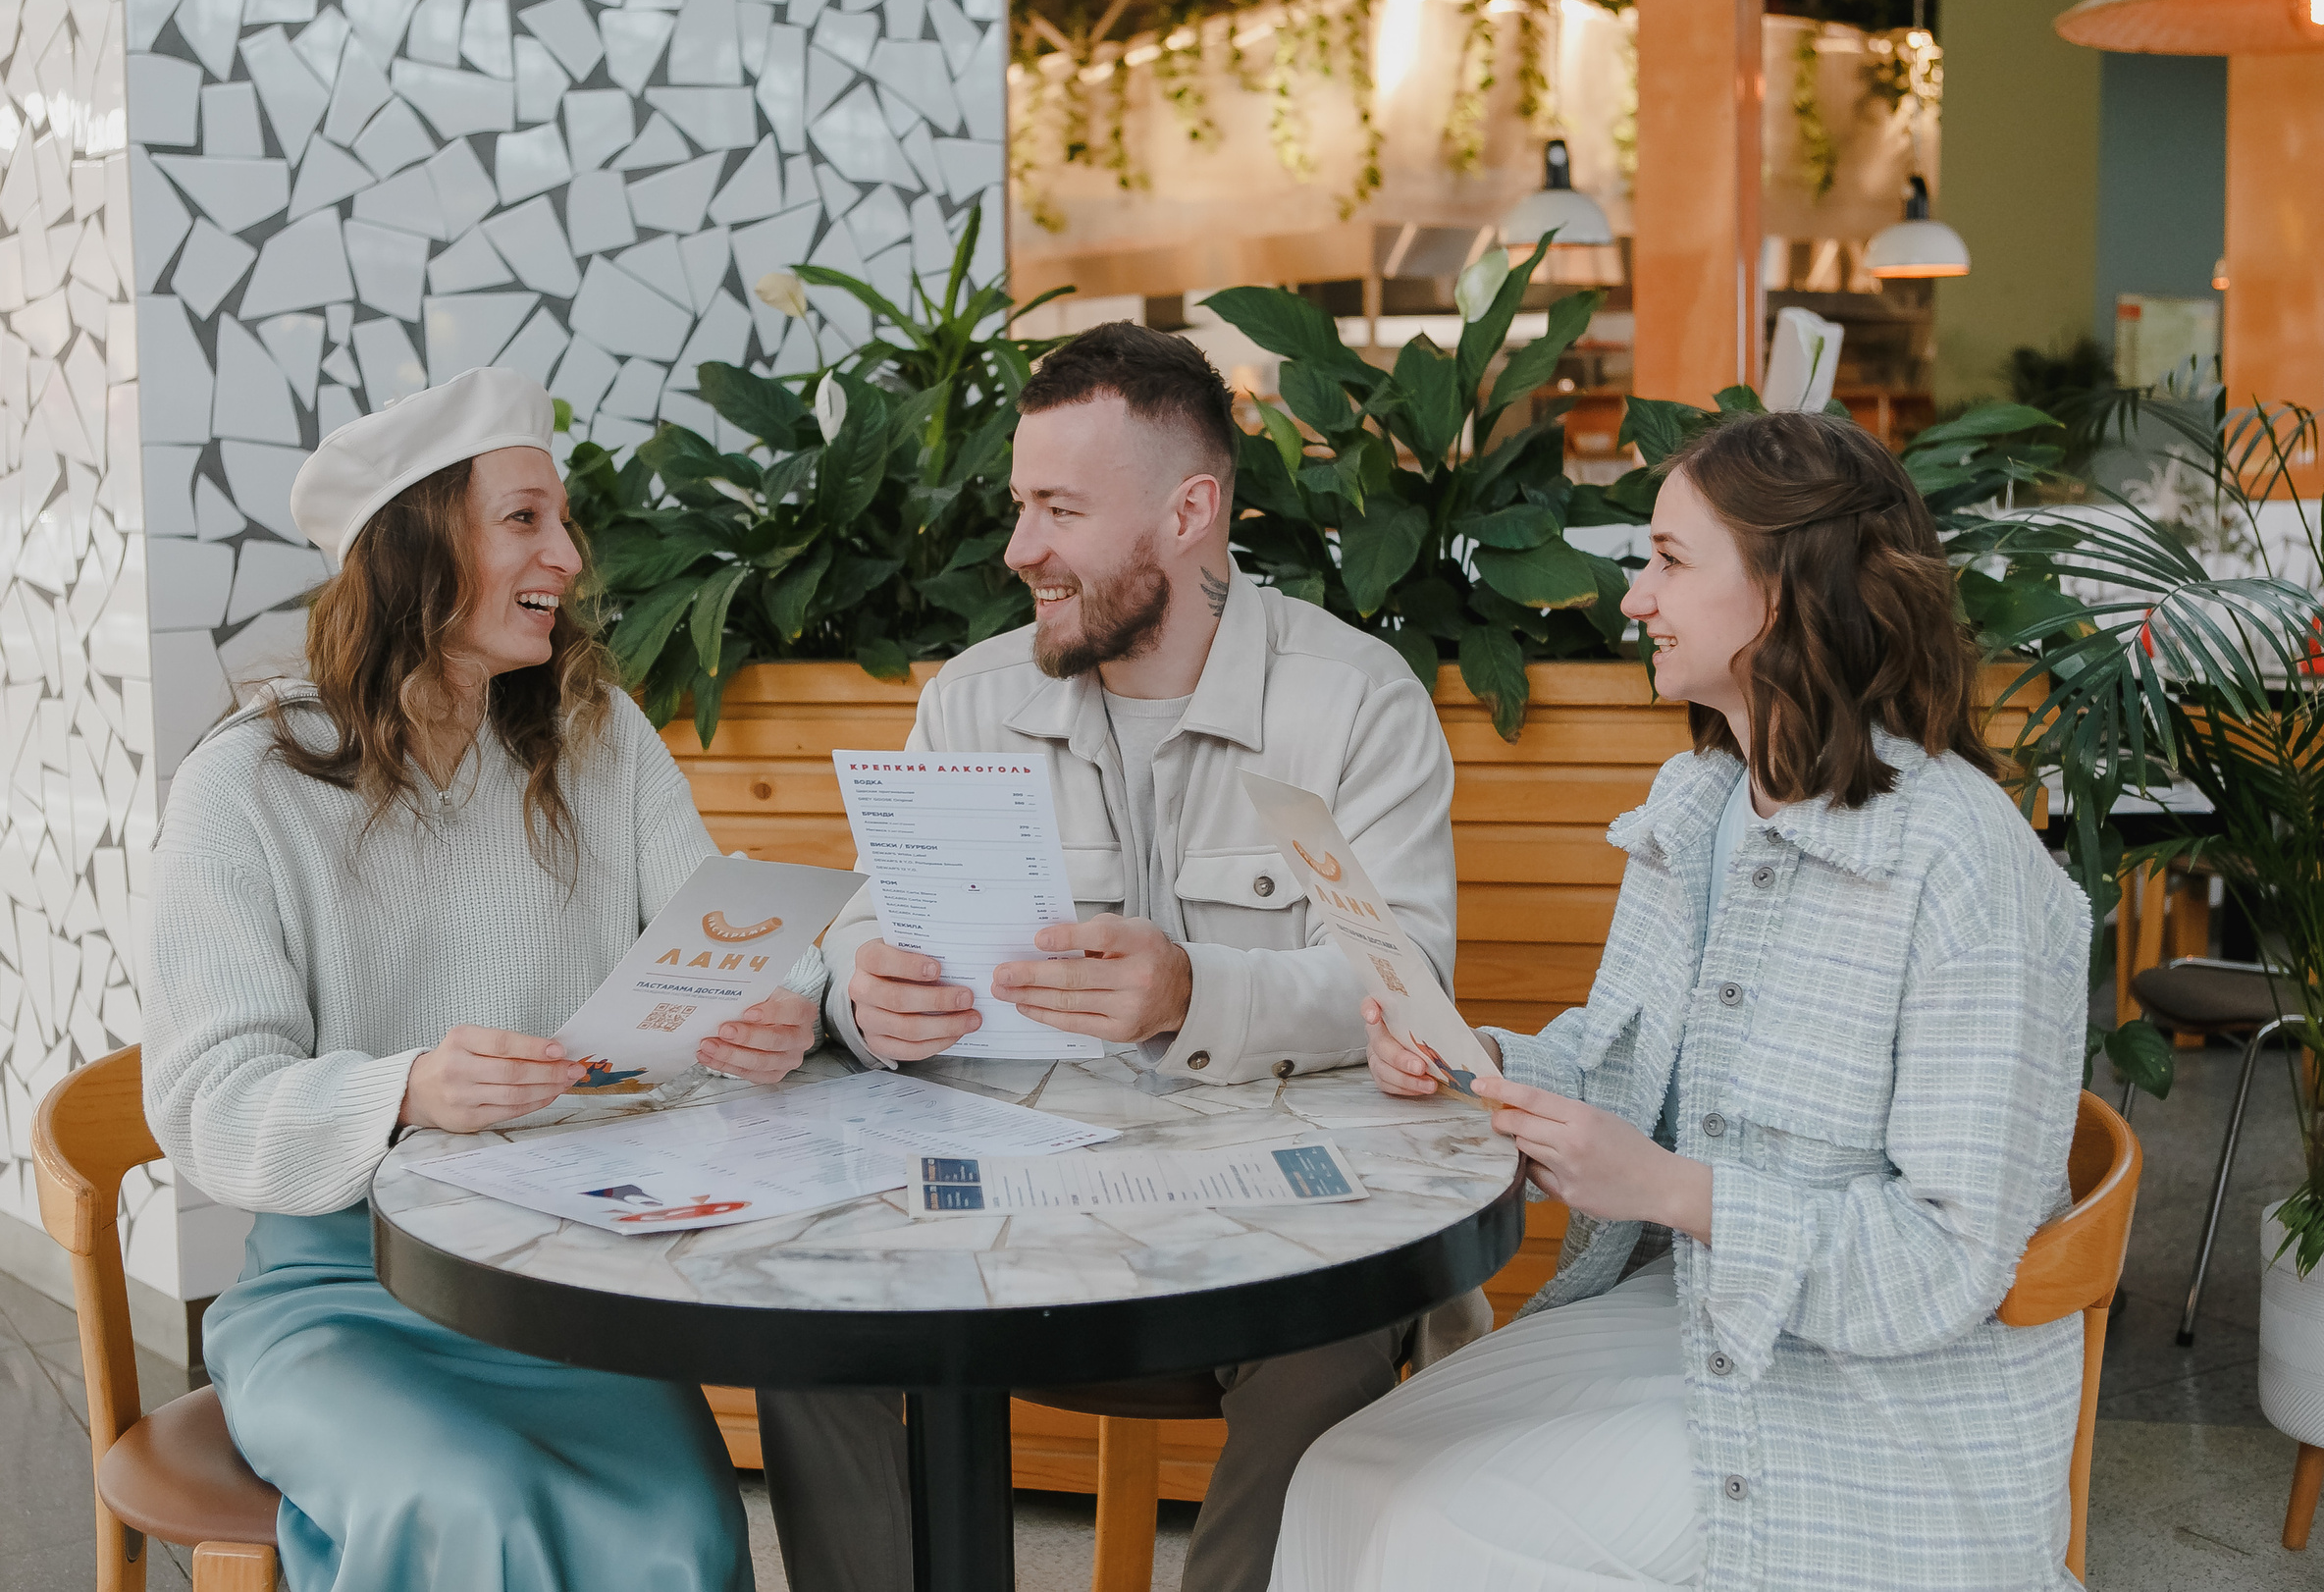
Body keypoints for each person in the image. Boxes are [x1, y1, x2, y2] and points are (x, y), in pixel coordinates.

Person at [1273, 410, 2090, 1591]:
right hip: (1690, 1318)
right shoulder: (1701, 799)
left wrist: (1668, 1189)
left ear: (1783, 589)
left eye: (1666, 559)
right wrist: (1469, 1060)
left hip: (1869, 1406)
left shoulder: (1963, 862)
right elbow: (1621, 1066)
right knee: (1339, 1475)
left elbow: (1945, 1262)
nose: (1633, 598)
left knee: (1421, 1529)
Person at [756, 322, 1464, 1592]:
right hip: (990, 1217)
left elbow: (1408, 986)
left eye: (1060, 508)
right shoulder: (971, 698)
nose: (1020, 546)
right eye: (1021, 502)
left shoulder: (1357, 704)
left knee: (1332, 1335)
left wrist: (1196, 988)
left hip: (1259, 1222)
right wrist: (864, 989)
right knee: (809, 1327)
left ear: (1190, 509)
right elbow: (868, 922)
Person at [140, 368, 824, 1592]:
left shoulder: (599, 737)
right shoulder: (243, 789)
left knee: (683, 1530)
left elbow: (736, 930)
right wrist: (407, 1088)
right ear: (412, 544)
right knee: (468, 1505)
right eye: (523, 519)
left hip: (565, 1282)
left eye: (562, 520)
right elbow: (204, 1101)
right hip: (342, 1297)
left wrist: (779, 1001)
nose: (567, 552)